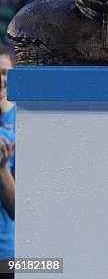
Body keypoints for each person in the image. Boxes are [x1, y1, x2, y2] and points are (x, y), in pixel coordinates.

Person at [0, 45, 15, 269]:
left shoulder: (27, 122)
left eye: (4, 72)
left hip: (7, 252)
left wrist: (3, 168)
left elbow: (19, 209)